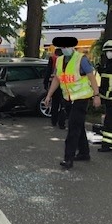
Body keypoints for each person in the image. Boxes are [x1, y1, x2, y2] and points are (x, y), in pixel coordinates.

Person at [44, 36, 101, 169]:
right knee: (78, 126)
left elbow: (91, 77)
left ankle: (68, 159)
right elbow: (57, 79)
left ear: (72, 47)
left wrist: (96, 95)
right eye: (62, 48)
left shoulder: (81, 59)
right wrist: (49, 95)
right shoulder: (59, 61)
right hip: (68, 99)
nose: (65, 49)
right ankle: (84, 153)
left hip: (81, 98)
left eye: (66, 47)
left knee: (73, 128)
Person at [43, 47, 66, 129]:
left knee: (55, 103)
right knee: (63, 104)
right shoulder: (65, 60)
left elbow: (48, 71)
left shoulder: (52, 59)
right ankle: (62, 123)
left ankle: (53, 120)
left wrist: (45, 83)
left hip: (54, 84)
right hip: (64, 85)